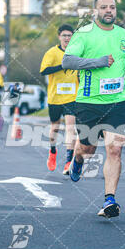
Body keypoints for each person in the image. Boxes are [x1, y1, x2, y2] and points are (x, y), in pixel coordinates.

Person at [62, 0, 125, 218]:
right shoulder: (84, 34)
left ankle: (109, 200)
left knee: (114, 150)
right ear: (95, 11)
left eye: (112, 7)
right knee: (88, 150)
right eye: (104, 7)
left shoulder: (124, 35)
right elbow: (67, 61)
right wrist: (97, 62)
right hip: (89, 102)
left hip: (117, 101)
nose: (109, 11)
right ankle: (77, 159)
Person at [40, 24, 78, 174]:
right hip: (55, 97)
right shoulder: (52, 52)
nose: (67, 38)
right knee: (54, 128)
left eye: (69, 35)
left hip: (71, 97)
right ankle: (53, 151)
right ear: (59, 37)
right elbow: (44, 70)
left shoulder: (77, 52)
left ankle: (69, 161)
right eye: (64, 35)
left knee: (70, 127)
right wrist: (62, 66)